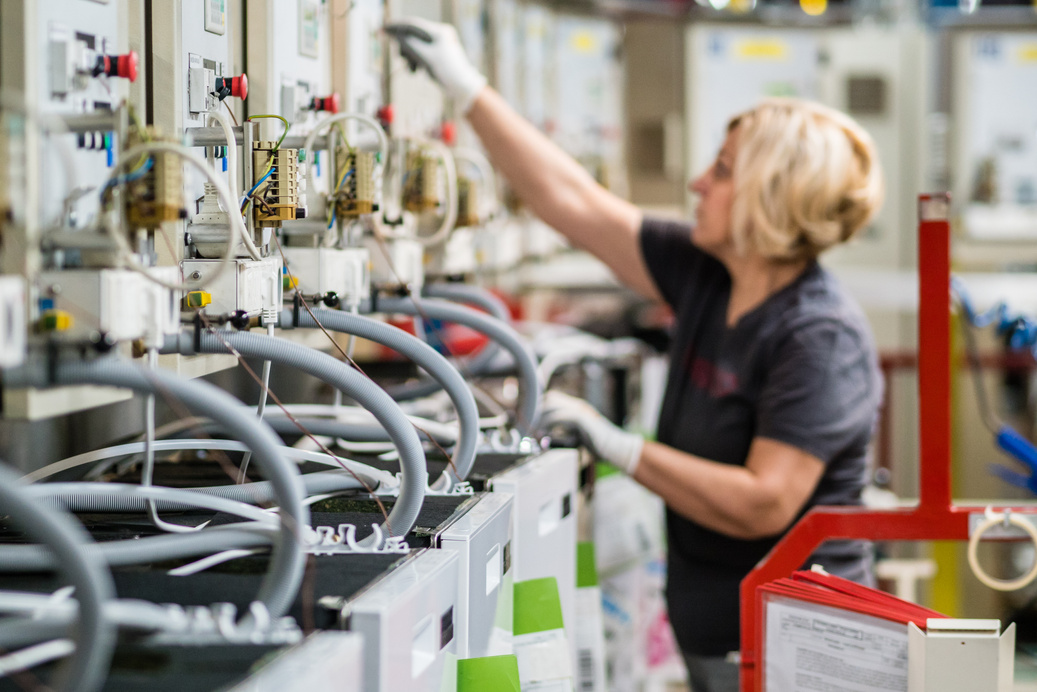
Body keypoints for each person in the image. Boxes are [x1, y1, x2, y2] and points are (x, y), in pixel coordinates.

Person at [387, 18, 885, 692]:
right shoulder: (708, 275)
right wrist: (463, 85)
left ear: (770, 196)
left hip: (806, 654)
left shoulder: (819, 337)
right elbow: (572, 201)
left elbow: (765, 504)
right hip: (726, 639)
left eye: (723, 169)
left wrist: (617, 446)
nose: (697, 184)